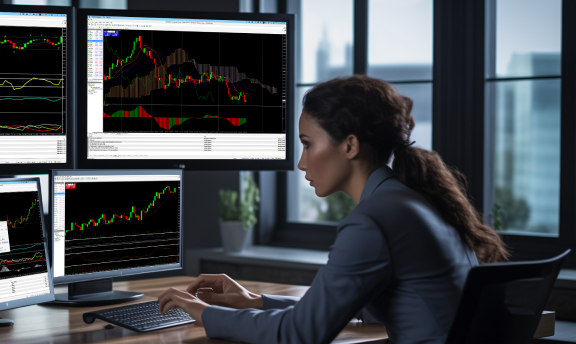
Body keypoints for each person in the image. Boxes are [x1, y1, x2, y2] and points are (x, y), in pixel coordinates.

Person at [157, 75, 510, 344]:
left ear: (350, 145)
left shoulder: (373, 221)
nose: (300, 162)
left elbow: (300, 333)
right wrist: (254, 301)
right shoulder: (411, 202)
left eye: (308, 145)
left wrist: (206, 314)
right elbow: (346, 308)